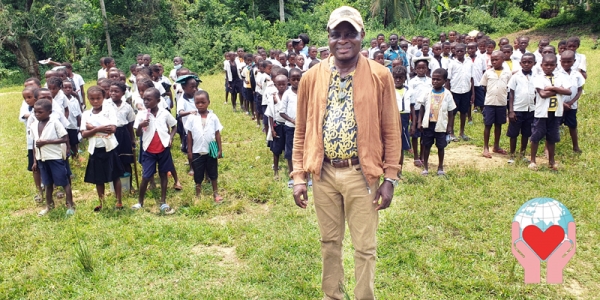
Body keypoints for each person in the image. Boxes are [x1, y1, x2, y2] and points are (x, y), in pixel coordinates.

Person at [292, 6, 401, 299]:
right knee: (329, 243)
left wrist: (390, 178)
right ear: (328, 38)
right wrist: (299, 176)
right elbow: (301, 130)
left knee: (365, 247)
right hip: (324, 173)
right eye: (336, 34)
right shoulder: (311, 77)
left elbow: (392, 130)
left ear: (361, 36)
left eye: (349, 33)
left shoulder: (380, 76)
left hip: (361, 174)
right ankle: (332, 296)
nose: (343, 40)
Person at [132, 88, 177, 214]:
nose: (145, 102)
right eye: (144, 99)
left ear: (157, 100)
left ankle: (163, 201)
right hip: (149, 150)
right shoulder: (141, 114)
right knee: (146, 176)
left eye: (149, 99)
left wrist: (170, 138)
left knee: (163, 174)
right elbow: (138, 133)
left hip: (163, 148)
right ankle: (140, 202)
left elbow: (174, 126)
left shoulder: (164, 113)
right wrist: (141, 125)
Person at [80, 86, 124, 211]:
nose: (95, 101)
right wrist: (98, 129)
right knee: (98, 178)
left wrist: (91, 128)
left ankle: (119, 201)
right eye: (92, 99)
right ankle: (101, 202)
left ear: (103, 97)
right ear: (88, 99)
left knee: (115, 175)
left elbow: (112, 129)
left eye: (98, 98)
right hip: (95, 149)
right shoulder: (86, 114)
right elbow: (83, 134)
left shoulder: (109, 110)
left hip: (109, 148)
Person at [30, 99, 75, 216]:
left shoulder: (54, 122)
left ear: (49, 112)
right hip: (42, 159)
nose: (37, 114)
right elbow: (35, 144)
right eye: (35, 112)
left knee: (64, 181)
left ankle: (70, 205)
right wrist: (35, 160)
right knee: (47, 183)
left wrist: (47, 141)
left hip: (55, 157)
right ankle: (49, 206)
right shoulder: (34, 125)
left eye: (40, 112)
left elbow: (65, 138)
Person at [529, 54, 572, 171]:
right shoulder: (538, 77)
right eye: (546, 65)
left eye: (551, 65)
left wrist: (552, 88)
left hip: (555, 112)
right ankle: (533, 160)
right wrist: (559, 90)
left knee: (552, 137)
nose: (548, 67)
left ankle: (551, 161)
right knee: (536, 136)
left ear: (556, 66)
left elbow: (568, 91)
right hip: (542, 113)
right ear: (541, 65)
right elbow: (542, 94)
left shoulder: (560, 77)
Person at [186, 90, 223, 202]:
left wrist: (220, 149)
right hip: (197, 150)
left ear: (208, 102)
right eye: (197, 103)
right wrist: (189, 151)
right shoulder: (192, 118)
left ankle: (215, 192)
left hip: (211, 150)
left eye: (203, 102)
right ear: (194, 103)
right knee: (198, 173)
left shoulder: (213, 117)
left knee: (213, 172)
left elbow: (217, 133)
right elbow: (189, 135)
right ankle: (198, 193)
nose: (200, 105)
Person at [417, 68, 455, 176]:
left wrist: (450, 127)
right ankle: (425, 167)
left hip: (441, 125)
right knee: (426, 146)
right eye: (433, 79)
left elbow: (451, 112)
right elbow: (422, 108)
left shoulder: (447, 94)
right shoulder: (427, 92)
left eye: (438, 79)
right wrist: (419, 122)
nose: (435, 81)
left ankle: (440, 167)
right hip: (428, 124)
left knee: (441, 146)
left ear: (444, 81)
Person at [480, 50, 512, 158]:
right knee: (488, 125)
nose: (494, 62)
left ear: (503, 60)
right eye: (492, 60)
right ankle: (485, 148)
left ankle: (496, 146)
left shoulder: (508, 73)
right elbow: (484, 87)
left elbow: (510, 88)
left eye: (496, 59)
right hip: (489, 103)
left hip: (502, 103)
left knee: (498, 125)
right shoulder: (488, 73)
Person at [507, 53, 536, 163]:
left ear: (534, 63)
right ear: (520, 63)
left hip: (530, 109)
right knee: (513, 133)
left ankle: (522, 154)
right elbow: (511, 94)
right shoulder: (515, 77)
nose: (527, 64)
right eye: (524, 62)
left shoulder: (536, 76)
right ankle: (512, 155)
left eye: (529, 62)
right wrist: (511, 111)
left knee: (526, 133)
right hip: (517, 109)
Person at [109, 81, 136, 185]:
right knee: (113, 160)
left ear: (123, 93)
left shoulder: (127, 106)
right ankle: (115, 185)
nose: (113, 93)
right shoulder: (106, 104)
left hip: (124, 134)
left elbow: (130, 124)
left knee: (126, 160)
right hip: (111, 134)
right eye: (111, 91)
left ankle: (129, 184)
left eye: (116, 91)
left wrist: (132, 138)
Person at [446, 43, 473, 141]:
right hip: (454, 92)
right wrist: (448, 93)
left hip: (466, 91)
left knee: (464, 112)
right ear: (454, 52)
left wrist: (472, 93)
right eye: (457, 51)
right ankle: (451, 133)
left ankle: (462, 132)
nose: (460, 52)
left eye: (462, 51)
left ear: (465, 51)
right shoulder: (452, 64)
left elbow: (471, 78)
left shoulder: (469, 63)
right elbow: (448, 80)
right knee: (452, 113)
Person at [559, 50, 585, 153]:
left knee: (572, 126)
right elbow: (554, 91)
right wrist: (562, 104)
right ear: (560, 61)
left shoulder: (577, 74)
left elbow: (579, 90)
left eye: (569, 61)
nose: (566, 64)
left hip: (572, 106)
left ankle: (575, 146)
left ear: (574, 61)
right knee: (554, 126)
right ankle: (548, 148)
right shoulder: (556, 74)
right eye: (563, 61)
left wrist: (571, 102)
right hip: (559, 105)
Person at [22, 86, 44, 203]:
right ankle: (39, 190)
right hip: (33, 145)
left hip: (48, 145)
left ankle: (54, 187)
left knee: (49, 165)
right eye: (25, 98)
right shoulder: (31, 115)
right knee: (35, 167)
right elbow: (30, 132)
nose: (27, 100)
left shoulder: (47, 111)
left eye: (29, 97)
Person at [279, 68, 301, 188]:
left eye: (299, 79)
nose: (296, 81)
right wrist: (293, 120)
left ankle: (306, 176)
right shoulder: (287, 94)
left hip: (304, 128)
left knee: (305, 151)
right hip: (290, 128)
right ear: (289, 80)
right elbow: (282, 112)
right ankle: (293, 176)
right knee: (290, 152)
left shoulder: (305, 91)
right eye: (294, 79)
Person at [408, 59, 432, 167]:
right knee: (415, 133)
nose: (421, 70)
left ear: (427, 69)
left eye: (423, 68)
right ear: (415, 69)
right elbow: (410, 98)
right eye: (419, 68)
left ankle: (423, 156)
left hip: (427, 110)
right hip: (416, 110)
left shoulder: (430, 81)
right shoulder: (412, 82)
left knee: (424, 133)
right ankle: (416, 156)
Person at [264, 75, 288, 180]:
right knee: (276, 150)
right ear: (275, 85)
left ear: (287, 84)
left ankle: (291, 169)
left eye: (284, 84)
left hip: (288, 125)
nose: (282, 86)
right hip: (277, 125)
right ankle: (276, 170)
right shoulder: (273, 97)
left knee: (289, 148)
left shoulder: (289, 95)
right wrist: (272, 129)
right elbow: (270, 114)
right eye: (279, 84)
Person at [176, 74, 201, 174]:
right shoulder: (182, 100)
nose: (194, 89)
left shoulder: (197, 96)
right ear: (183, 88)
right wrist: (190, 112)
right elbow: (180, 113)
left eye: (196, 86)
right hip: (189, 130)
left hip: (200, 126)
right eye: (192, 87)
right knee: (190, 149)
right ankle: (192, 167)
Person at [393, 66, 411, 176]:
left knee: (401, 145)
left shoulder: (409, 90)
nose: (398, 80)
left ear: (405, 78)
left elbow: (412, 106)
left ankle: (400, 169)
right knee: (391, 143)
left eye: (400, 78)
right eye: (396, 78)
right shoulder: (389, 89)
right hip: (393, 116)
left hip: (404, 117)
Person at [467, 42, 488, 117]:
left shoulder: (481, 58)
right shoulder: (466, 59)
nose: (470, 50)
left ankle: (484, 115)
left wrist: (484, 82)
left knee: (481, 100)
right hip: (469, 84)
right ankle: (469, 117)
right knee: (469, 101)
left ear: (476, 49)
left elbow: (484, 71)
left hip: (479, 83)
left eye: (472, 48)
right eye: (468, 48)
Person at [63, 80, 82, 161]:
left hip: (73, 126)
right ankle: (66, 161)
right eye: (65, 87)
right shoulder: (61, 100)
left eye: (70, 87)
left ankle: (76, 160)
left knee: (74, 144)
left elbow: (78, 114)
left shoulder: (75, 100)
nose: (68, 89)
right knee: (64, 145)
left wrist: (79, 127)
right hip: (64, 127)